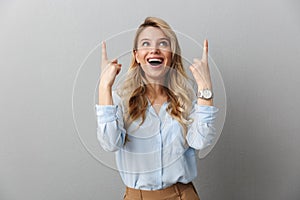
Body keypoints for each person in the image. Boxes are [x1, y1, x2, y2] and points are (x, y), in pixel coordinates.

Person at [96, 17, 218, 200]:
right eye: (146, 43)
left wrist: (205, 88)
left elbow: (200, 141)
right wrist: (104, 87)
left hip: (182, 195)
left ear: (171, 55)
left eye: (163, 43)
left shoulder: (186, 99)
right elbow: (110, 143)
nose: (154, 49)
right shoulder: (119, 100)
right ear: (136, 56)